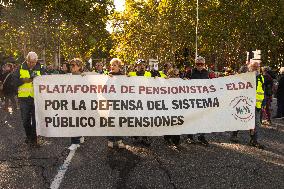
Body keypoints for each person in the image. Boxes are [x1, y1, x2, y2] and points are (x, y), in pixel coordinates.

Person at [231, 61, 265, 149]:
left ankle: (254, 140)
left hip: (256, 105)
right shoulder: (245, 76)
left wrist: (263, 103)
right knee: (240, 119)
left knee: (255, 123)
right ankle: (234, 135)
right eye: (254, 66)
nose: (256, 68)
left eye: (257, 67)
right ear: (249, 67)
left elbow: (262, 91)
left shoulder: (261, 77)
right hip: (244, 103)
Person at [14, 52, 45, 147]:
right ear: (26, 60)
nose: (32, 64)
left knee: (36, 121)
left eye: (34, 62)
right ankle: (29, 137)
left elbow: (46, 81)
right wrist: (23, 80)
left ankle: (34, 140)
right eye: (30, 62)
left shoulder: (41, 68)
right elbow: (14, 81)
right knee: (25, 120)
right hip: (24, 98)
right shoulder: (20, 68)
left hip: (36, 98)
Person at [186, 56, 209, 146]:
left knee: (203, 118)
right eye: (197, 64)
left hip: (203, 99)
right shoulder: (190, 72)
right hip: (192, 99)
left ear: (204, 64)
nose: (199, 65)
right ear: (195, 64)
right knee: (191, 118)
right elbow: (182, 84)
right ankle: (190, 137)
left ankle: (201, 137)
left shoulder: (206, 73)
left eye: (201, 64)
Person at [107, 58, 126, 149]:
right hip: (112, 103)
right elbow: (104, 90)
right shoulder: (108, 76)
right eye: (112, 65)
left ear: (119, 66)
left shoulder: (123, 76)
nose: (112, 67)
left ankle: (119, 141)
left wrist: (130, 79)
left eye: (115, 65)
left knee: (119, 122)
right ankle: (110, 140)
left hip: (121, 103)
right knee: (111, 122)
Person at [68, 58, 85, 150]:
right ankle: (74, 142)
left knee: (79, 121)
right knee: (73, 122)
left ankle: (79, 136)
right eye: (71, 65)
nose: (71, 67)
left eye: (73, 65)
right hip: (71, 102)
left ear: (79, 67)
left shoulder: (84, 76)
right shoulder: (68, 76)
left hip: (81, 103)